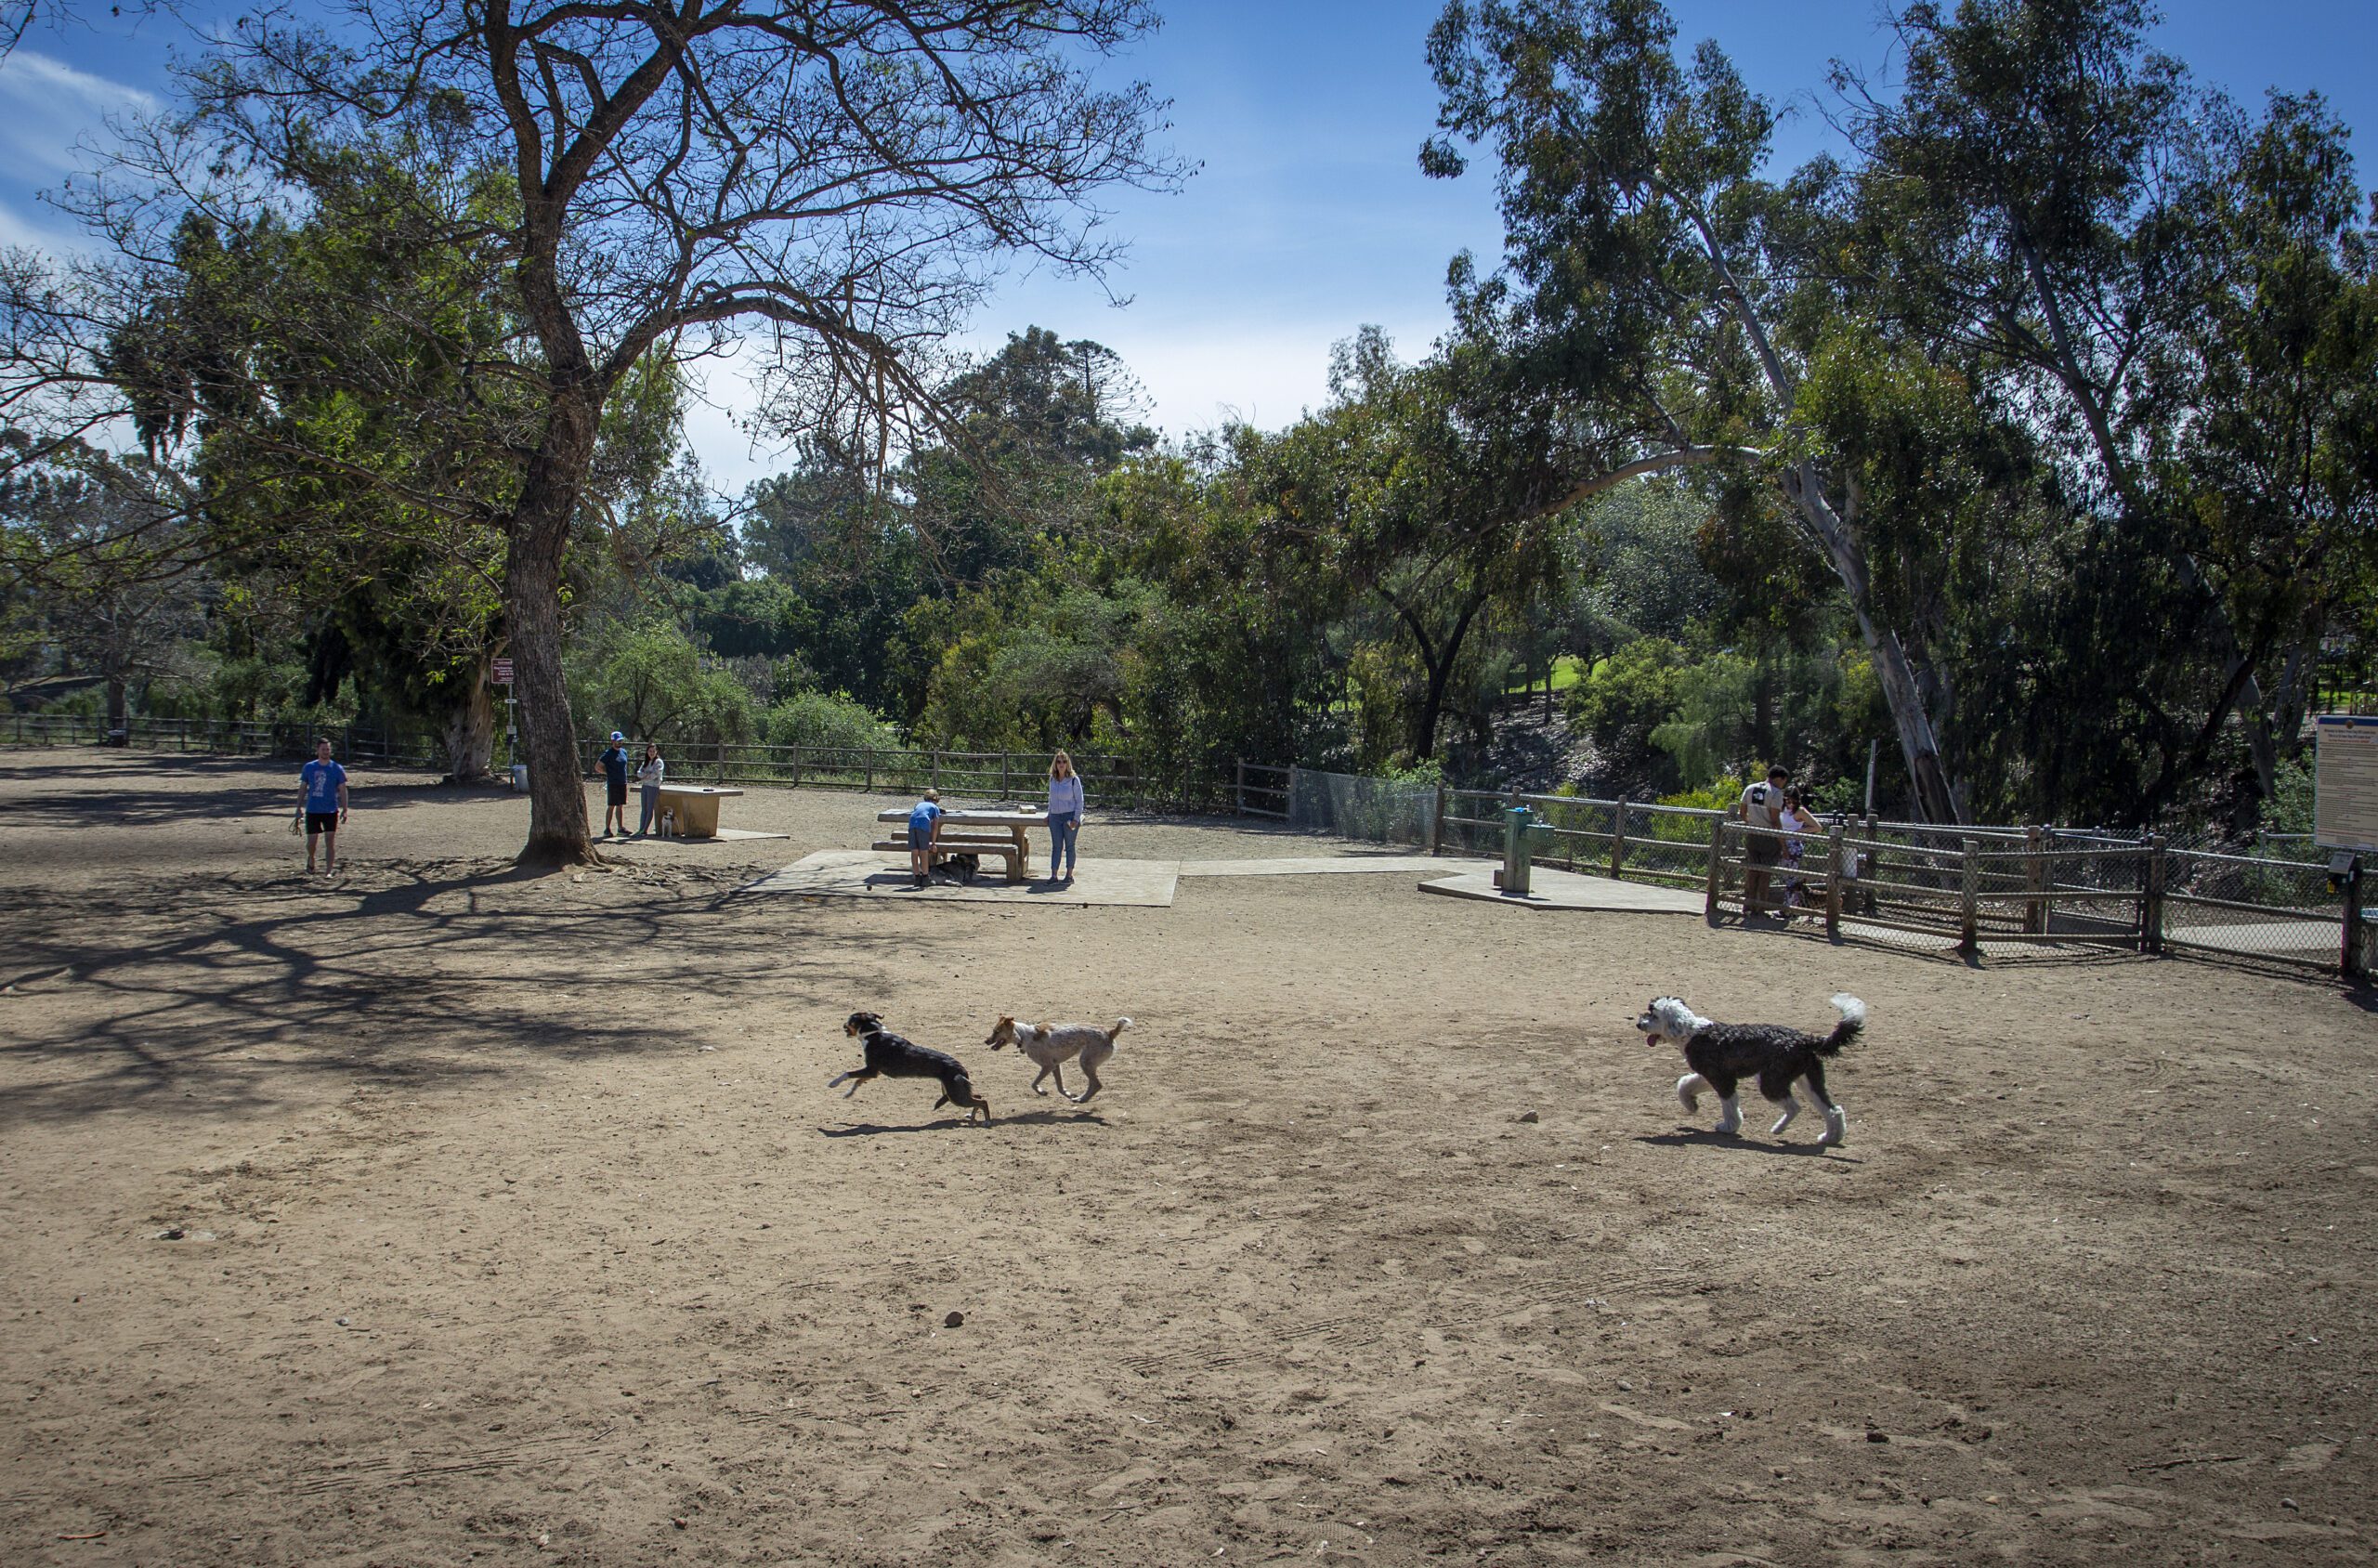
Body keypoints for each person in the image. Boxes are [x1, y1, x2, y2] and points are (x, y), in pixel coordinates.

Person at [1735, 765, 1791, 920]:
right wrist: (1783, 843)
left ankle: (1748, 904)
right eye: (1784, 782)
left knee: (1752, 871)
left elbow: (1742, 812)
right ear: (1779, 778)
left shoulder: (1750, 788)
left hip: (1752, 834)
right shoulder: (1776, 793)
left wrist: (1751, 823)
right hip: (1768, 837)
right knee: (1765, 873)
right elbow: (1775, 820)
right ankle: (1760, 908)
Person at [298, 736, 350, 875]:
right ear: (318, 750)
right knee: (312, 842)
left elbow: (343, 789)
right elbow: (303, 787)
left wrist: (345, 809)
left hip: (330, 810)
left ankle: (328, 871)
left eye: (328, 749)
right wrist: (298, 807)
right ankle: (311, 858)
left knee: (330, 841)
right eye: (323, 749)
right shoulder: (309, 767)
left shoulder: (337, 768)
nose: (326, 752)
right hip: (313, 809)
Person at [1044, 750, 1084, 883]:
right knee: (1056, 846)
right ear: (1055, 764)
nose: (1061, 764)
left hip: (1069, 816)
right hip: (1055, 816)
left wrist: (1076, 819)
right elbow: (1051, 799)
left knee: (1070, 846)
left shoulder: (1073, 780)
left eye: (1064, 761)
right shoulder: (1052, 779)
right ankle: (1054, 875)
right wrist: (1049, 814)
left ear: (1068, 763)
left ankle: (1069, 875)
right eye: (1059, 761)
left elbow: (1080, 801)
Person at [906, 788, 944, 887]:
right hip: (923, 827)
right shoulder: (935, 808)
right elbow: (935, 826)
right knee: (924, 852)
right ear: (936, 799)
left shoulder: (918, 805)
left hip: (912, 825)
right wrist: (934, 843)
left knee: (914, 852)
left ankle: (917, 877)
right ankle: (926, 877)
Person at [597, 730, 631, 838]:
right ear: (612, 741)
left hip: (622, 782)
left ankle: (620, 828)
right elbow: (598, 766)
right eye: (617, 741)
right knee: (611, 805)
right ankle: (607, 828)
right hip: (613, 783)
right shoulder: (608, 754)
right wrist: (607, 772)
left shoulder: (624, 752)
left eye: (621, 740)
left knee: (620, 806)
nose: (619, 742)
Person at [634, 742, 666, 836]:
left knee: (649, 808)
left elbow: (655, 775)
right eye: (650, 751)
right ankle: (641, 828)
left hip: (653, 787)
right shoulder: (646, 762)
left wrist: (645, 776)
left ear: (656, 752)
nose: (651, 753)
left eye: (653, 751)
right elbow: (639, 773)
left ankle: (644, 830)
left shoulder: (659, 762)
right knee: (644, 808)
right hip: (645, 786)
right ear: (647, 752)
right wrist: (645, 776)